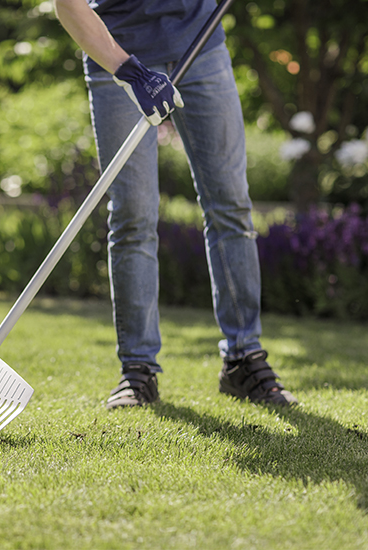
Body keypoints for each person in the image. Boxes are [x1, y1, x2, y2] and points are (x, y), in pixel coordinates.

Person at [52, 0, 297, 407]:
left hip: (201, 46)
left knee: (230, 206)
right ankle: (138, 371)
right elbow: (68, 6)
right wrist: (129, 71)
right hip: (117, 49)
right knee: (133, 214)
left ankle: (243, 358)